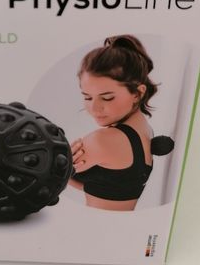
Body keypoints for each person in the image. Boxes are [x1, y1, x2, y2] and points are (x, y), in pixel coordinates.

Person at [69, 35, 173, 211]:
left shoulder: (103, 140)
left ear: (137, 93)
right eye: (87, 97)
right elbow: (110, 189)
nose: (94, 108)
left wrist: (60, 166)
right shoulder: (145, 130)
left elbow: (46, 172)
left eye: (107, 98)